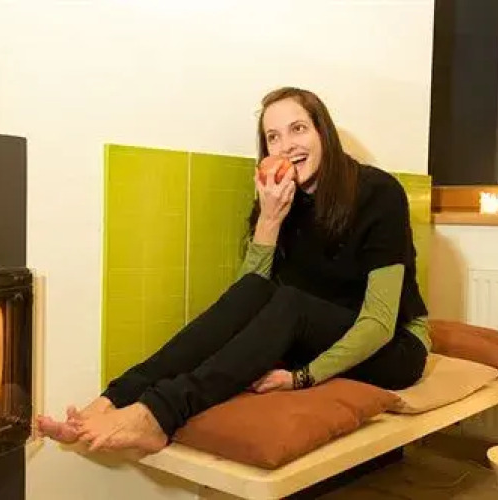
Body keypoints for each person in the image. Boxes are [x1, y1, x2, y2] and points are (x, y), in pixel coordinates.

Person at [35, 87, 430, 454]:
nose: (287, 145)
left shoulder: (378, 193)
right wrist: (270, 218)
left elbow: (379, 322)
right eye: (273, 137)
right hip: (314, 333)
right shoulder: (279, 196)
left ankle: (159, 414)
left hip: (392, 345)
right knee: (263, 294)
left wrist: (303, 376)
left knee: (290, 302)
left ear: (323, 133)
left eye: (298, 129)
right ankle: (114, 398)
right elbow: (246, 296)